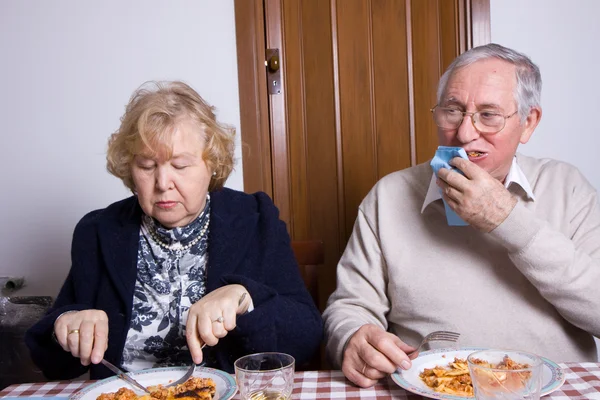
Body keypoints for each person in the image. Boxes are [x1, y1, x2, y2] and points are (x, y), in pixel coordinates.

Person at [322, 43, 600, 388]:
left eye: (489, 115)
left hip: (553, 390)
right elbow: (350, 306)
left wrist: (508, 221)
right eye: (452, 111)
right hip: (429, 388)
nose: (465, 134)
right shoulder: (389, 196)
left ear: (528, 123)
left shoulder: (568, 188)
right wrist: (351, 336)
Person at [26, 81, 323, 380]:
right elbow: (53, 362)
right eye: (146, 165)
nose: (163, 182)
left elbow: (306, 336)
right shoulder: (98, 231)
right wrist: (66, 325)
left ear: (213, 165)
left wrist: (245, 298)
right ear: (129, 169)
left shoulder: (256, 220)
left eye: (180, 165)